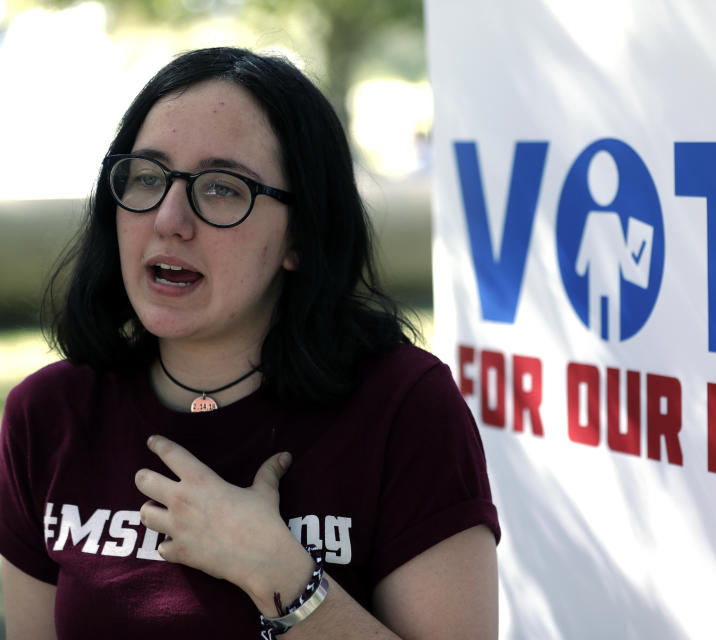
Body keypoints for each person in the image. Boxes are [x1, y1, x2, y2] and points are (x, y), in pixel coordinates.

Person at [0, 47, 499, 639]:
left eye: (220, 188)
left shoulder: (405, 408)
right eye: (147, 177)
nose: (169, 218)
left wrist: (277, 571)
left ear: (302, 237)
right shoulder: (47, 417)